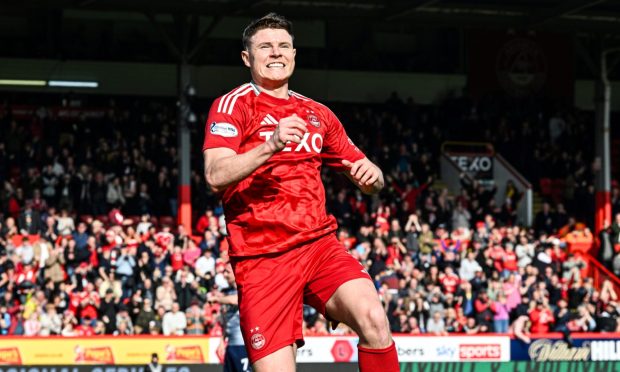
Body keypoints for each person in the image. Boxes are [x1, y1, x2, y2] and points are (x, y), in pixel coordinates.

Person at [202, 13, 398, 372]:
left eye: (283, 46)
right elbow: (215, 174)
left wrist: (374, 179)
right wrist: (270, 144)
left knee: (374, 318)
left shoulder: (316, 113)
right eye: (265, 46)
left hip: (317, 246)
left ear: (294, 54)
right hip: (262, 258)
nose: (275, 53)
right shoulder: (232, 106)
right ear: (247, 57)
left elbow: (370, 174)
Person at [211, 263, 251, 372]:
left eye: (227, 271)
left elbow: (234, 300)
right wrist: (221, 341)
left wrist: (216, 299)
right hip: (231, 345)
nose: (224, 275)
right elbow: (227, 320)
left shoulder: (246, 289)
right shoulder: (226, 292)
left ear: (236, 272)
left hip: (244, 346)